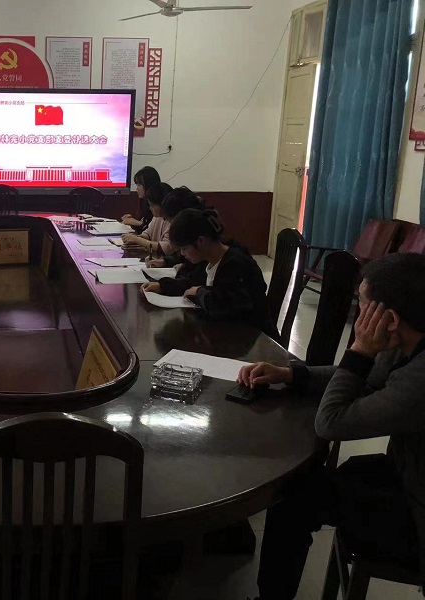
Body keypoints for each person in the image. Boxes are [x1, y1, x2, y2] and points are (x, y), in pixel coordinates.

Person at [241, 253, 425, 600]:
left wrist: (360, 348)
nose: (358, 314)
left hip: (416, 514)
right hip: (407, 472)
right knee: (315, 483)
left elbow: (330, 422)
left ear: (390, 319)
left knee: (294, 501)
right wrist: (292, 374)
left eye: (362, 305)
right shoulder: (410, 339)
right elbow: (364, 377)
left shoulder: (419, 380)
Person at [141, 208, 279, 340]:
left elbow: (225, 306)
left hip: (253, 339)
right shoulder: (209, 260)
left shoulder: (236, 264)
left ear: (201, 241)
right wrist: (162, 285)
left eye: (184, 248)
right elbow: (191, 283)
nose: (182, 254)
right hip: (229, 334)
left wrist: (199, 292)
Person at [144, 186, 205, 269]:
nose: (171, 225)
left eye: (170, 221)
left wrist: (185, 268)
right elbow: (181, 257)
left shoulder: (196, 234)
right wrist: (165, 261)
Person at [121, 182, 173, 254]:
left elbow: (166, 248)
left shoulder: (172, 221)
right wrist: (137, 237)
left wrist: (137, 240)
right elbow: (148, 233)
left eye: (152, 205)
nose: (150, 208)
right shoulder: (157, 217)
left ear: (162, 204)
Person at [121, 166, 161, 234]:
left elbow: (153, 231)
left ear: (148, 185)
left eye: (139, 185)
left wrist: (137, 223)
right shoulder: (144, 202)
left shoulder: (158, 205)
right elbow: (144, 224)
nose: (137, 189)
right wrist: (132, 220)